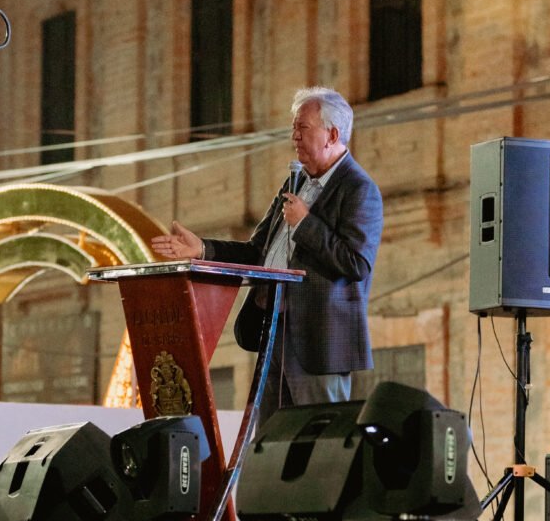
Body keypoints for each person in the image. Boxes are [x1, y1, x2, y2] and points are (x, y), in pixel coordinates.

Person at [151, 86, 383, 419]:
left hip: (317, 344)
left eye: (303, 128)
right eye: (294, 129)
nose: (294, 137)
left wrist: (306, 225)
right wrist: (202, 249)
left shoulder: (360, 190)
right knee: (267, 443)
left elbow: (356, 263)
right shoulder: (294, 184)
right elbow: (257, 251)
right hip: (273, 330)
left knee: (316, 440)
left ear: (332, 134)